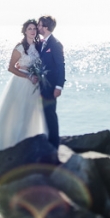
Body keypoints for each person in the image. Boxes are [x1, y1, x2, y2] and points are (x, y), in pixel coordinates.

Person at [0, 20, 48, 157]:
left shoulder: (39, 46)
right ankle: (16, 146)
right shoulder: (20, 48)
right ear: (25, 31)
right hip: (21, 83)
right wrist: (28, 76)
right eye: (29, 28)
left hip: (35, 85)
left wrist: (39, 74)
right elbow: (11, 67)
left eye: (34, 28)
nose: (33, 31)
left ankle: (30, 145)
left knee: (32, 114)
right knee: (20, 114)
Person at [36, 15, 65, 148]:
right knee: (43, 112)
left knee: (50, 114)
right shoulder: (42, 43)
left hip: (51, 86)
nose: (38, 27)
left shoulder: (55, 44)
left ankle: (54, 144)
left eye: (40, 25)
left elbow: (60, 66)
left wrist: (59, 86)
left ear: (46, 27)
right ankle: (46, 138)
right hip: (41, 85)